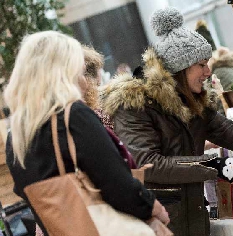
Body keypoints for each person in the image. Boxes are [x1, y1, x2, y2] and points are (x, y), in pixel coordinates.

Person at [101, 7, 233, 236]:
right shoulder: (133, 105)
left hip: (194, 217)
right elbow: (148, 163)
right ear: (180, 69)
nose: (208, 72)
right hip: (161, 223)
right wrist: (211, 165)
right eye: (201, 64)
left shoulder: (192, 102)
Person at [4, 31, 169, 235]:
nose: (84, 82)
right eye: (79, 73)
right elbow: (117, 184)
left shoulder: (16, 138)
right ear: (62, 73)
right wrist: (153, 207)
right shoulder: (73, 116)